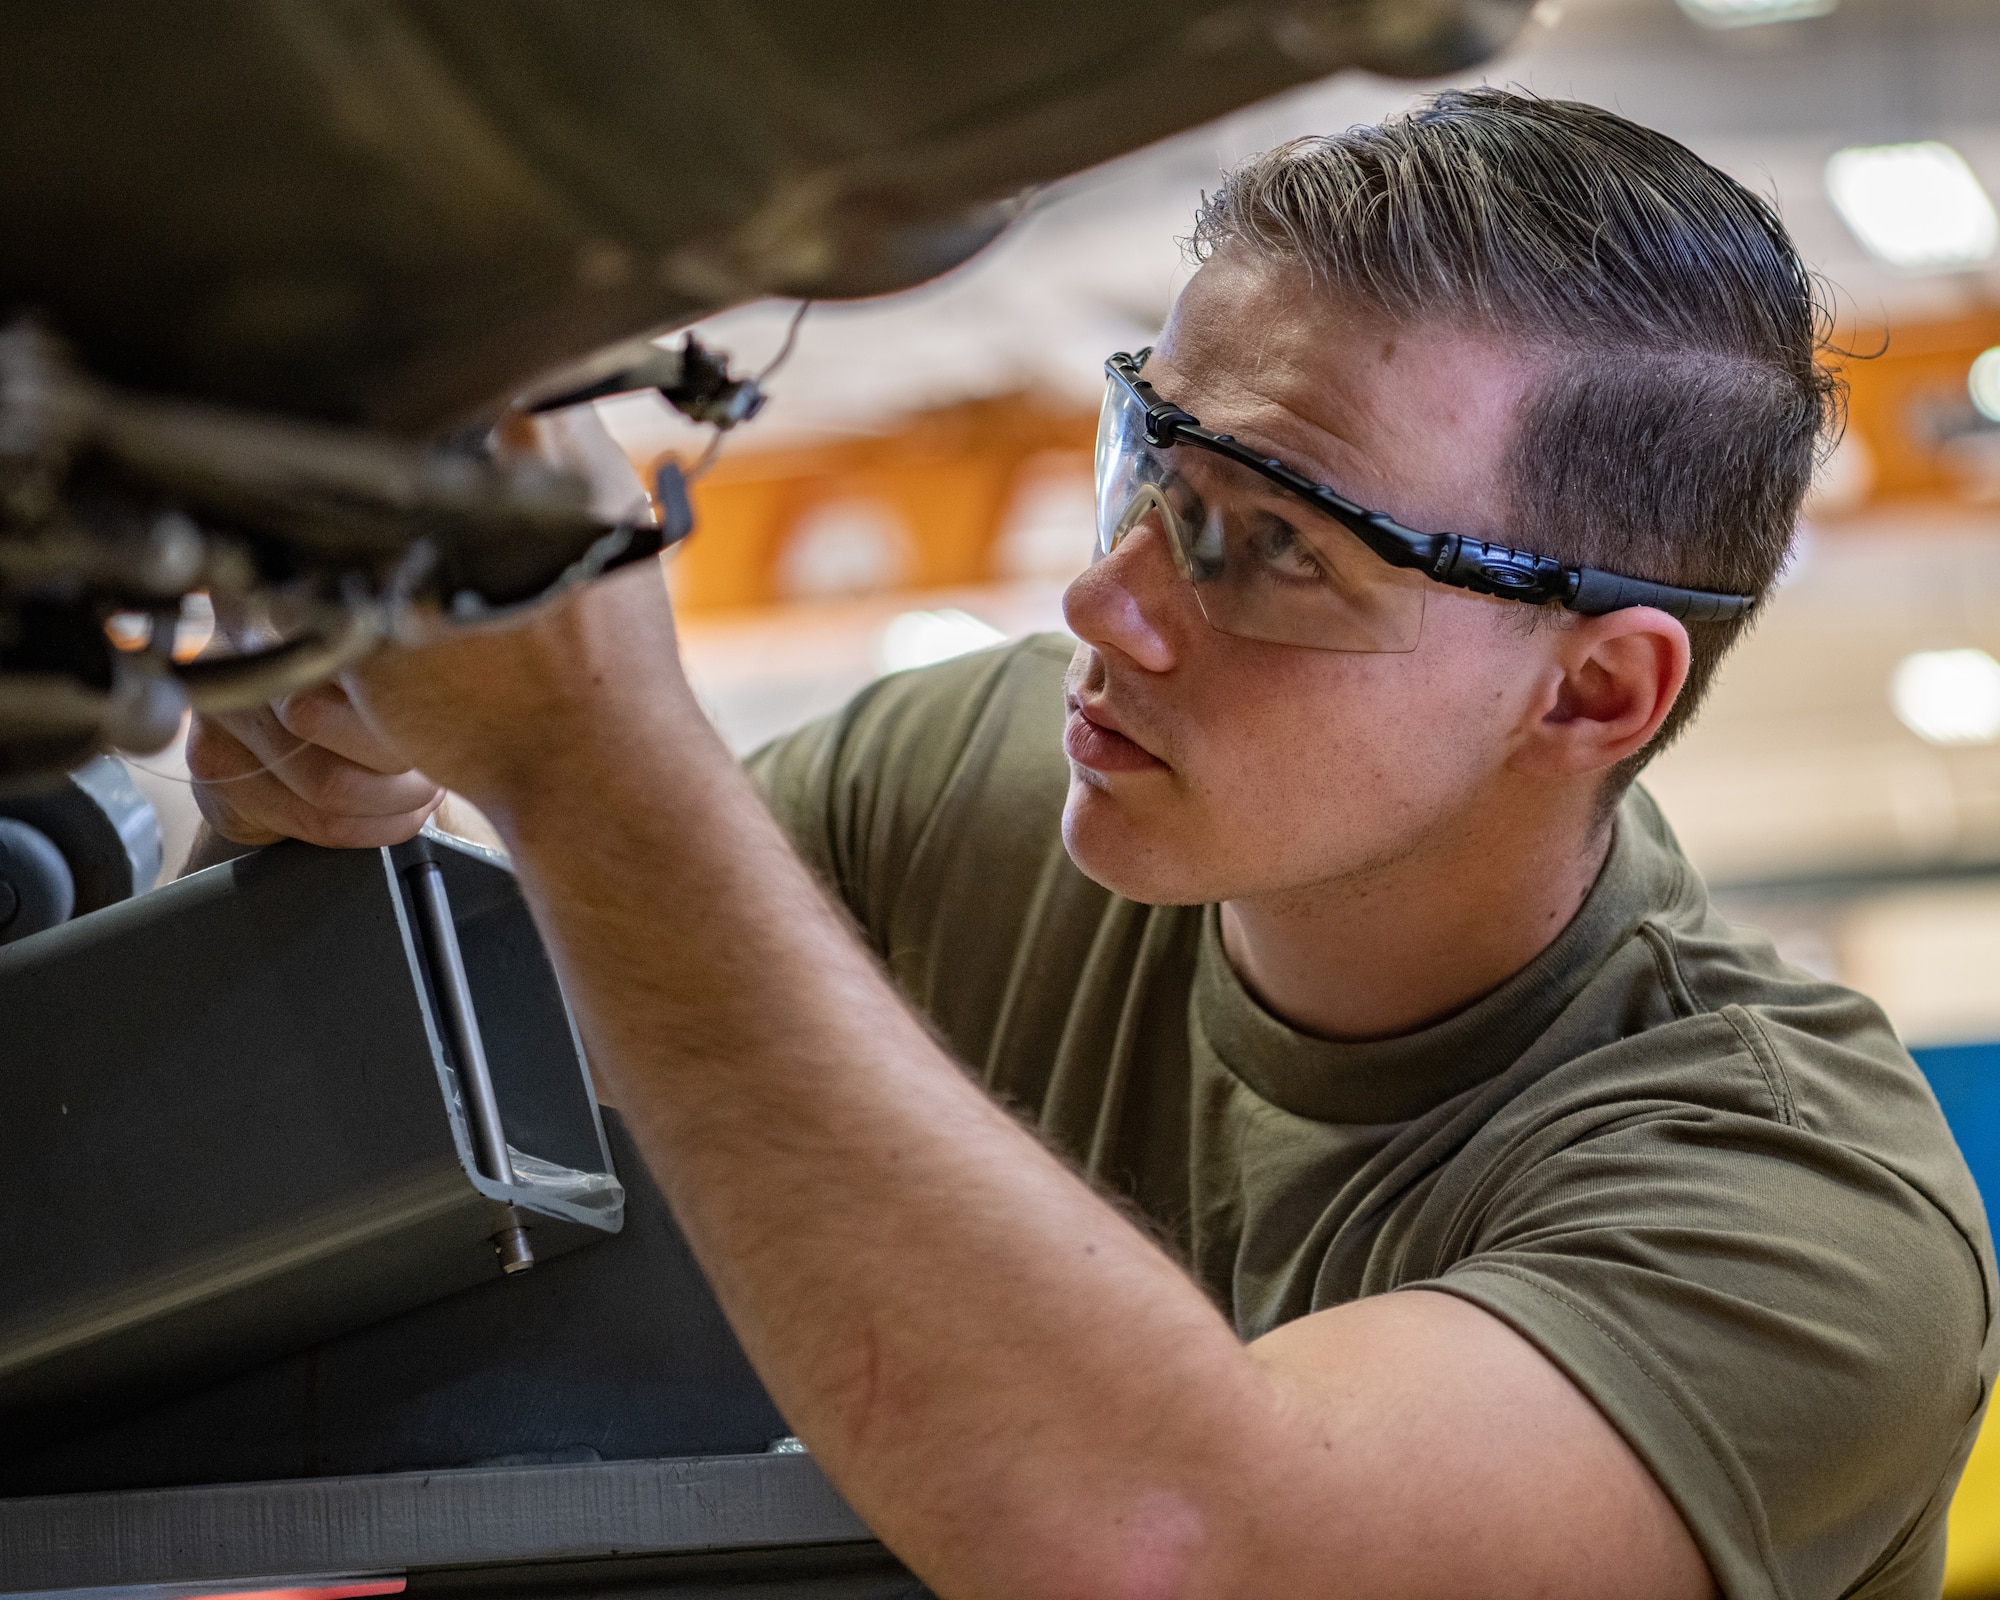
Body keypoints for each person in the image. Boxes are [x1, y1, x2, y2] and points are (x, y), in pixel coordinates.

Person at [186, 91, 1995, 1600]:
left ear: (1594, 694)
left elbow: (1180, 1552)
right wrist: (330, 821)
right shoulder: (969, 778)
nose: (1103, 602)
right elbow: (408, 1185)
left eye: (1278, 546)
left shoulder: (1807, 1223)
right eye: (1155, 464)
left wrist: (589, 761)